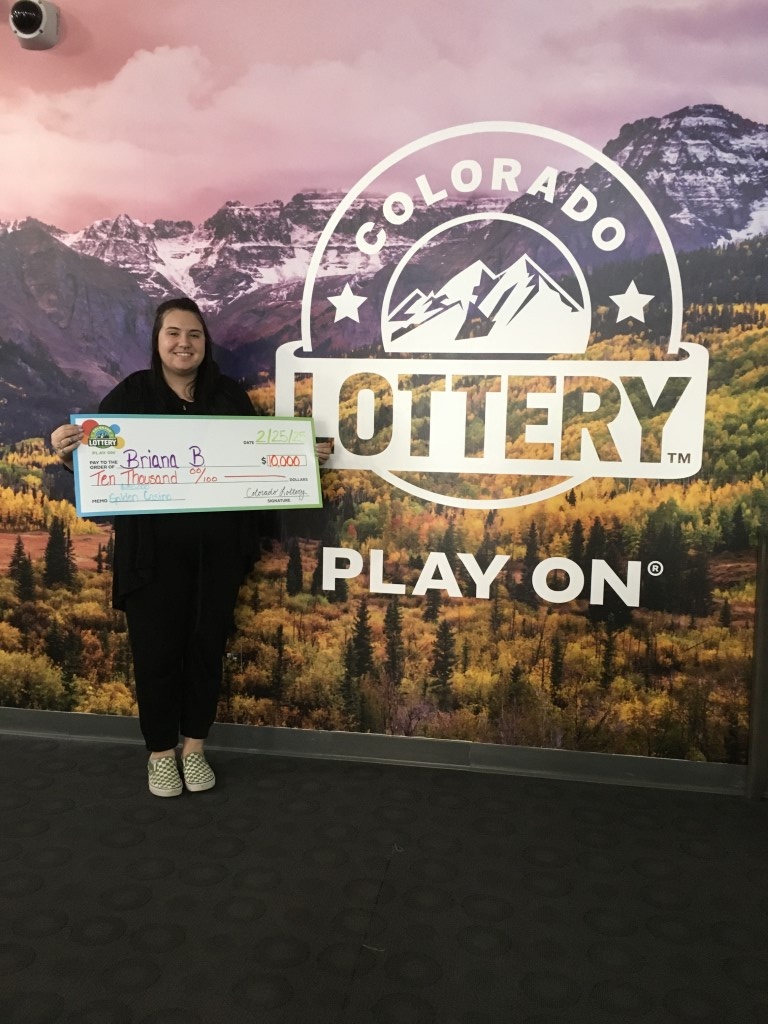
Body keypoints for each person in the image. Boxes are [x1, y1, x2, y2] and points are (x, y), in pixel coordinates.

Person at [51, 296, 331, 798]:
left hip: (218, 555)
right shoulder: (134, 393)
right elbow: (99, 465)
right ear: (157, 342)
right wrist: (67, 452)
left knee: (206, 651)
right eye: (173, 334)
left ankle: (194, 748)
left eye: (194, 334)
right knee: (155, 654)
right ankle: (161, 755)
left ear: (206, 341)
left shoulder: (227, 395)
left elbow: (261, 461)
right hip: (151, 557)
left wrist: (297, 459)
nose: (184, 343)